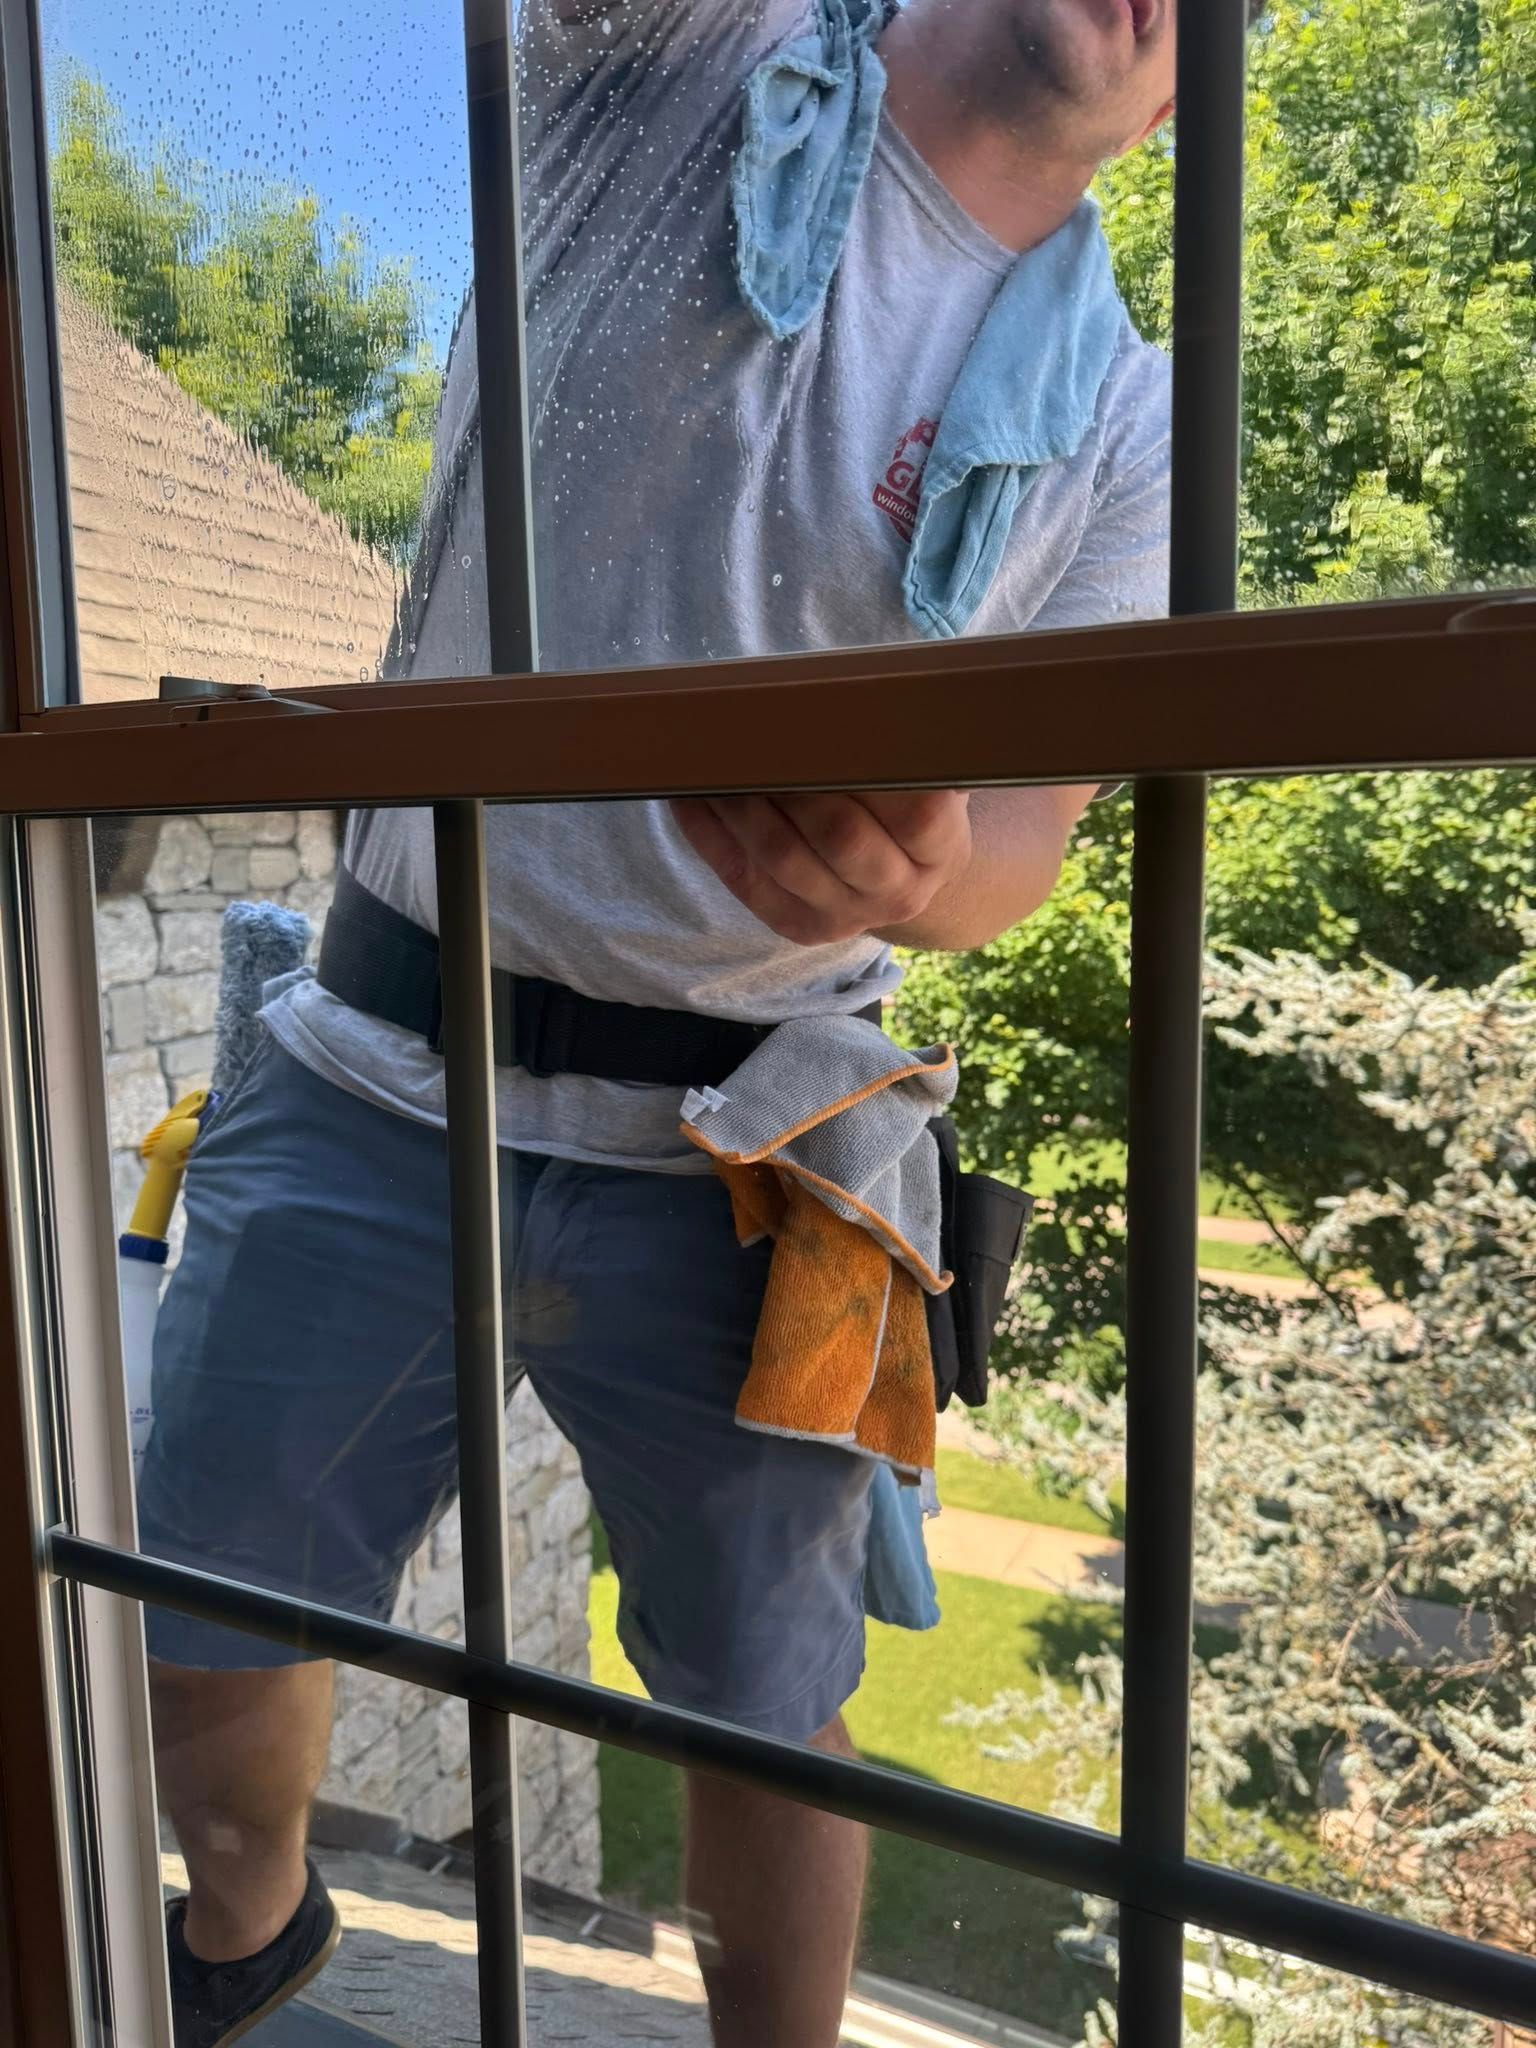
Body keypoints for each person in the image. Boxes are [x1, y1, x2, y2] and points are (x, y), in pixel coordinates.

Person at [138, 0, 1190, 2041]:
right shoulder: (681, 53)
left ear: (1184, 111)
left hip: (758, 1155)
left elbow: (1027, 843)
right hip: (376, 1063)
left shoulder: (1133, 421)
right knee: (200, 1610)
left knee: (774, 1722)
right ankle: (245, 1928)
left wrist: (920, 880)